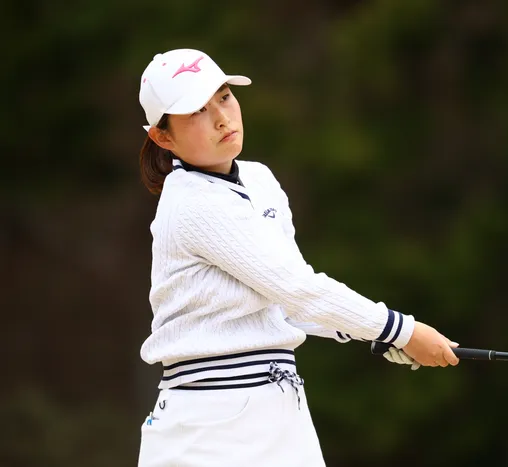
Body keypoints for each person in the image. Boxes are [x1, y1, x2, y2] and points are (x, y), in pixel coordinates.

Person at [136, 48, 459, 467]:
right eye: (197, 111)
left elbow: (286, 305)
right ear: (162, 137)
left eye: (224, 97)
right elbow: (297, 288)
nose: (222, 118)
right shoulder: (191, 202)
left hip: (281, 409)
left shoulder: (260, 180)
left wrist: (375, 335)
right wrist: (402, 331)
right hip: (208, 423)